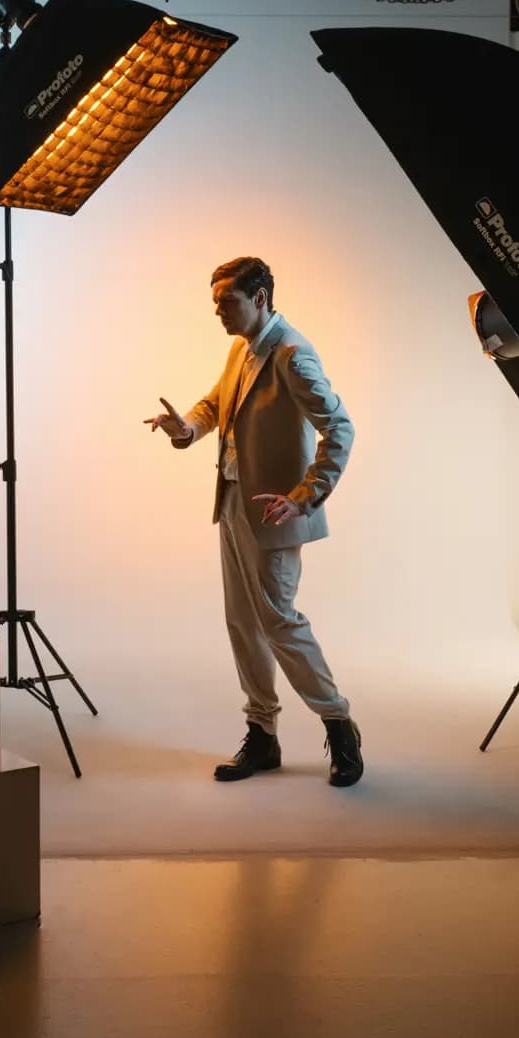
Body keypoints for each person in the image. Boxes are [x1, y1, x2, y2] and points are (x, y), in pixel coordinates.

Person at [145, 256, 362, 787]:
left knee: (280, 623)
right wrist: (186, 428)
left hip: (274, 511)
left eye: (227, 302)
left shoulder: (292, 355)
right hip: (233, 504)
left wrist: (304, 497)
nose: (218, 312)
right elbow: (217, 402)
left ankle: (339, 725)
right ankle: (262, 734)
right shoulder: (240, 347)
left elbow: (340, 427)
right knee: (243, 622)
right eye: (215, 302)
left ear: (259, 298)